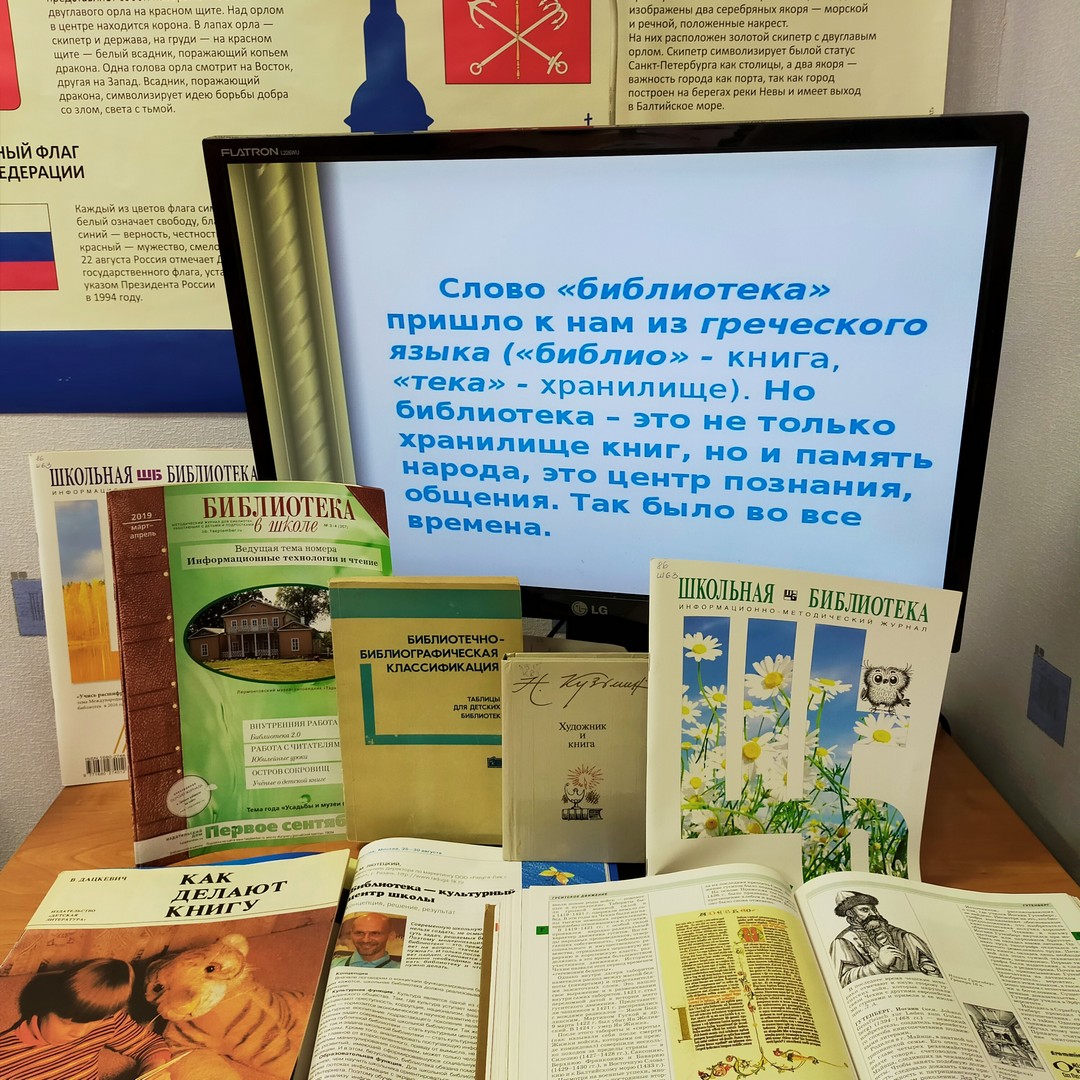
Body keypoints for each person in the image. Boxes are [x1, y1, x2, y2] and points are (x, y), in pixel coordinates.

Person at [0, 957, 174, 1080]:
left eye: (93, 1023)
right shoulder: (5, 1059)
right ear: (44, 1006)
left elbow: (149, 1044)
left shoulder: (107, 1021)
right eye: (67, 1022)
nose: (80, 1032)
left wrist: (154, 1070)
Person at [830, 890, 942, 986]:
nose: (873, 914)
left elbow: (923, 958)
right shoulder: (844, 941)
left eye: (874, 909)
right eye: (865, 910)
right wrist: (880, 964)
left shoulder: (902, 935)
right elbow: (844, 980)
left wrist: (926, 964)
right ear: (850, 913)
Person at [331, 911, 401, 969]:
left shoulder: (400, 970)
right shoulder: (333, 965)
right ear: (351, 934)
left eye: (374, 933)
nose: (365, 940)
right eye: (359, 933)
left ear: (391, 936)